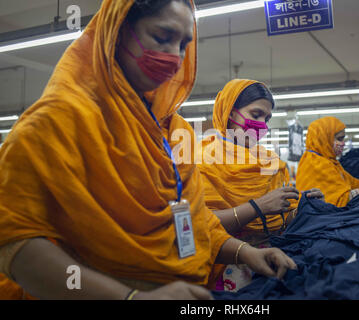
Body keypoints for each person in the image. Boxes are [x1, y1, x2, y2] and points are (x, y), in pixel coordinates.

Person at [0, 0, 297, 300]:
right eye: (162, 37)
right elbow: (15, 242)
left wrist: (244, 252)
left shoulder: (171, 129)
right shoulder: (60, 120)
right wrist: (132, 298)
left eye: (183, 45)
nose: (175, 57)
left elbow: (193, 219)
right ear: (118, 32)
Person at [197, 79, 323, 291]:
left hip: (271, 258)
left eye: (267, 118)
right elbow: (200, 226)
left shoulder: (270, 162)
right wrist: (257, 207)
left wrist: (300, 208)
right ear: (230, 113)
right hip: (221, 267)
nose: (262, 125)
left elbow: (274, 222)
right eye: (256, 115)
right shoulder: (202, 160)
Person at [295, 117, 359, 207]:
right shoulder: (317, 163)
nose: (343, 143)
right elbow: (343, 200)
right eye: (339, 139)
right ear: (325, 139)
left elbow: (355, 183)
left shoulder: (332, 162)